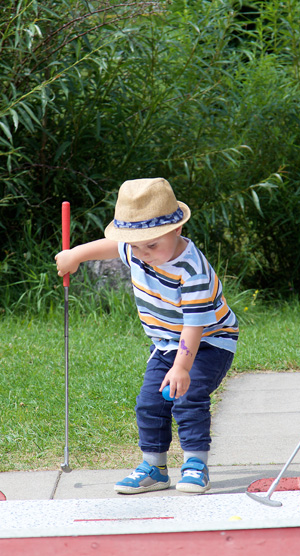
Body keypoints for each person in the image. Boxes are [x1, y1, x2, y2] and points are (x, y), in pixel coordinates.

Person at [55, 177, 238, 495]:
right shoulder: (141, 251)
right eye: (135, 246)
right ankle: (155, 467)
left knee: (187, 395)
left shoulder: (192, 271)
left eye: (151, 245)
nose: (140, 254)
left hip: (207, 341)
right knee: (149, 402)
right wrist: (77, 255)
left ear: (177, 229)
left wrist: (181, 368)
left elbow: (194, 326)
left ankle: (195, 464)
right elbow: (116, 247)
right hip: (166, 343)